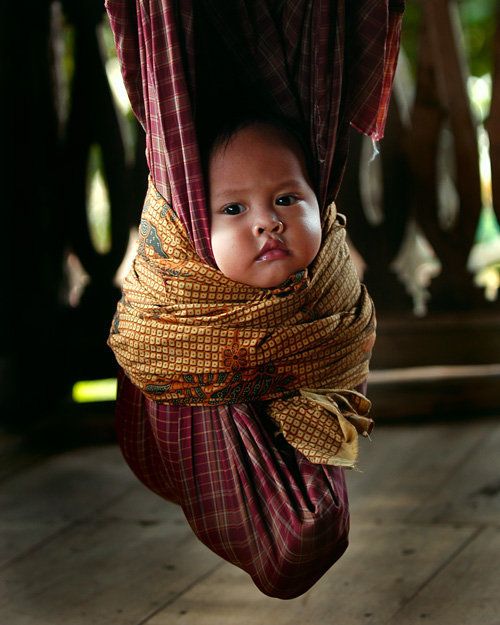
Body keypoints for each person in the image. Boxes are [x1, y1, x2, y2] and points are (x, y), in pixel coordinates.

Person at [105, 0, 404, 599]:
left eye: (289, 199)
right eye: (234, 210)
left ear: (320, 196)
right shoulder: (184, 307)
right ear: (195, 222)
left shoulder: (331, 302)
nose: (267, 224)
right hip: (205, 399)